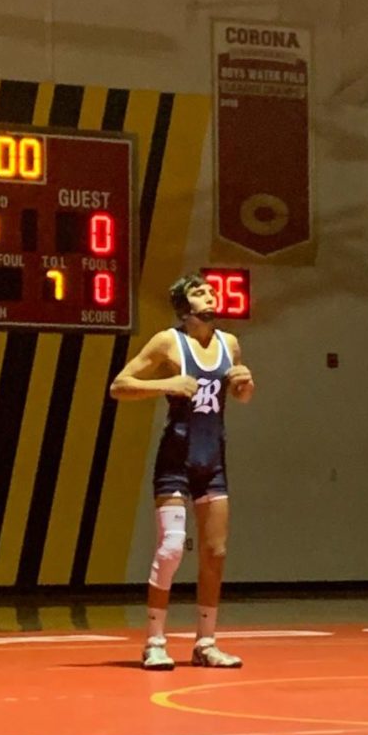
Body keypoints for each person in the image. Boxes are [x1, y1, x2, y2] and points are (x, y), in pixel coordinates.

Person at [110, 272, 255, 669]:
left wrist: (245, 386)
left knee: (215, 552)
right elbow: (119, 385)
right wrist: (167, 384)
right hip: (175, 457)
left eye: (211, 291)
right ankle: (154, 640)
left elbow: (240, 395)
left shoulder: (231, 344)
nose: (210, 295)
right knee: (172, 548)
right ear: (183, 306)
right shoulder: (167, 342)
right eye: (199, 291)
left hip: (212, 459)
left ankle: (206, 643)